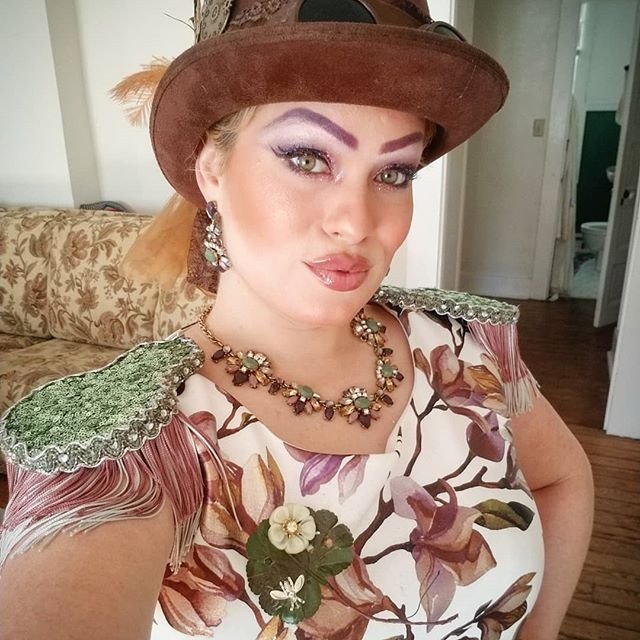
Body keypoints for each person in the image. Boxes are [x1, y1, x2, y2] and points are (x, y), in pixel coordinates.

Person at [0, 1, 594, 639]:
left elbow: (563, 478)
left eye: (393, 172)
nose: (356, 222)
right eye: (308, 158)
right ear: (211, 169)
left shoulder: (464, 345)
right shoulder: (139, 440)